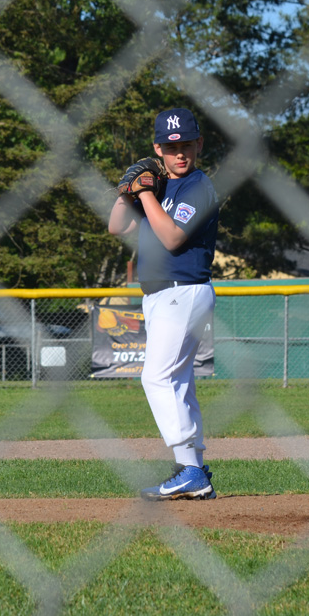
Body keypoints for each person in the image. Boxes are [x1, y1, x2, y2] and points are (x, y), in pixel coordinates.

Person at [108, 107, 219, 501]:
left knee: (155, 378)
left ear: (199, 144)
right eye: (171, 147)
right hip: (160, 295)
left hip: (183, 290)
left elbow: (172, 237)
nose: (179, 153)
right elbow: (117, 226)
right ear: (158, 148)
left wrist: (143, 192)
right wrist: (128, 191)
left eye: (186, 144)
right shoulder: (158, 187)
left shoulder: (197, 186)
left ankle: (190, 470)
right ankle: (194, 467)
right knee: (178, 382)